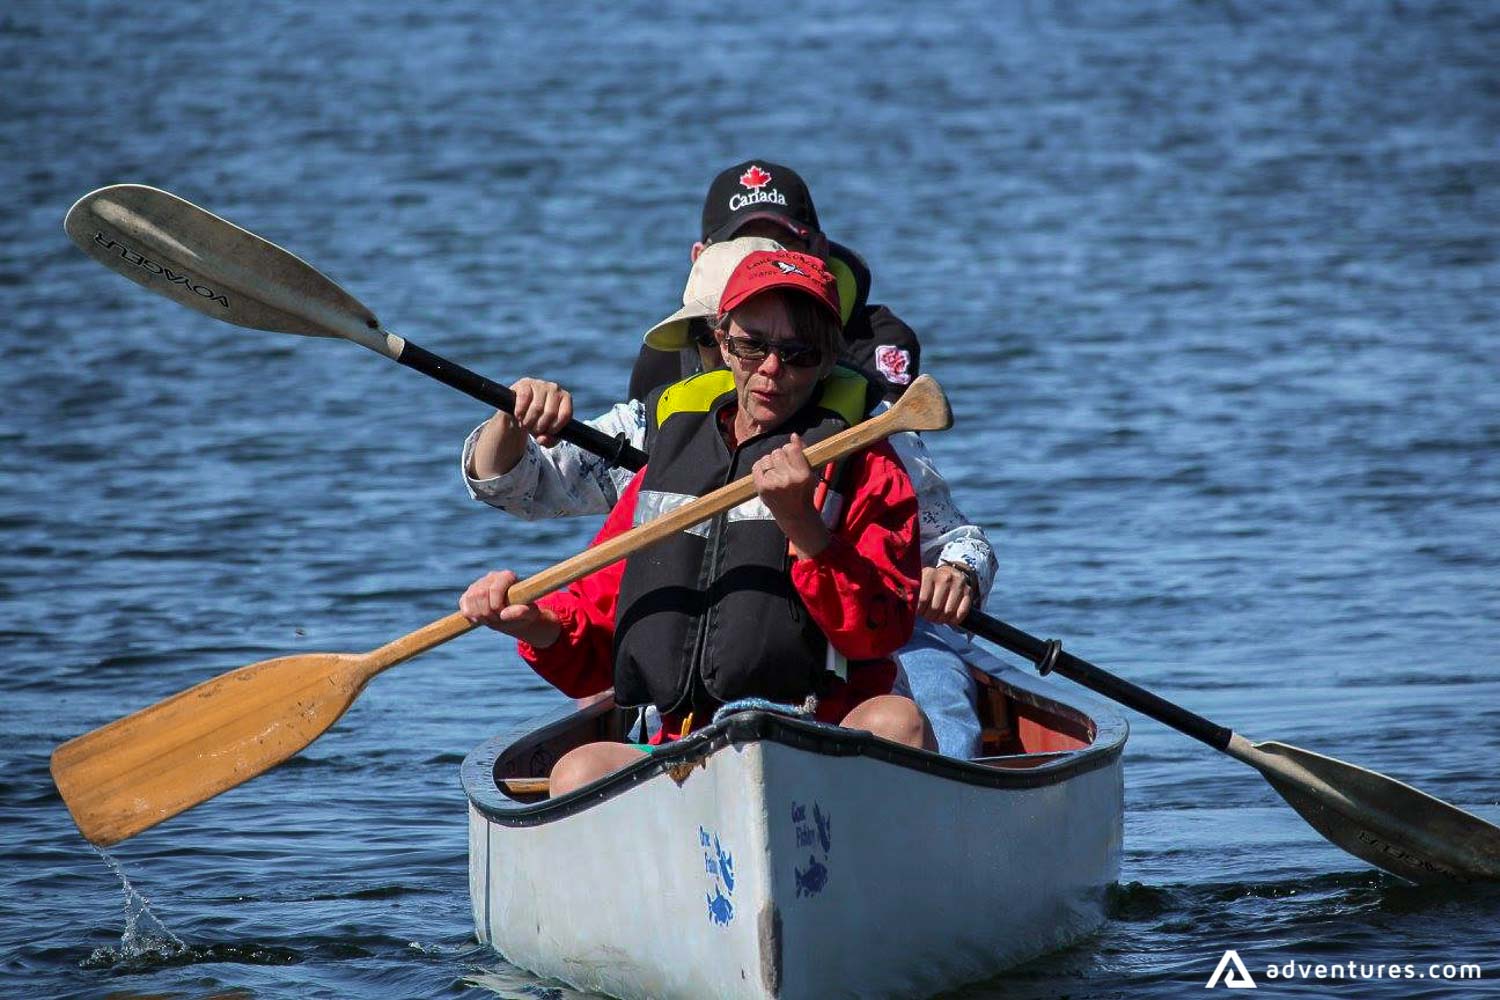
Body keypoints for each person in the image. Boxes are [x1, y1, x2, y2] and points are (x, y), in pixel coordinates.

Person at [464, 167, 999, 759]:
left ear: (826, 355)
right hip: (692, 713)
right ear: (719, 338)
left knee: (918, 706)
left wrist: (952, 570)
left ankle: (953, 794)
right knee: (579, 765)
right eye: (746, 343)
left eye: (797, 352)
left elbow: (933, 565)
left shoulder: (869, 436)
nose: (769, 368)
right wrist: (511, 418)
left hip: (831, 700)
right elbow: (519, 486)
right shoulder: (662, 434)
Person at [627, 160, 921, 404]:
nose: (762, 262)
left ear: (819, 249)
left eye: (781, 246)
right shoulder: (663, 350)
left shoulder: (879, 339)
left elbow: (895, 435)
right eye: (740, 246)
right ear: (700, 257)